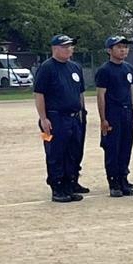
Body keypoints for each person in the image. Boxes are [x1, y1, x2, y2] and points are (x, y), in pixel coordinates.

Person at [33, 34, 86, 203]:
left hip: (74, 118)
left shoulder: (75, 67)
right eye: (65, 46)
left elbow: (80, 93)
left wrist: (82, 113)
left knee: (73, 153)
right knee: (56, 153)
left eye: (70, 46)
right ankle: (57, 187)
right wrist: (43, 118)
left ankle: (69, 185)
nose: (69, 49)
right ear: (55, 49)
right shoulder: (47, 68)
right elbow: (39, 94)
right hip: (56, 117)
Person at [96, 35, 133, 197]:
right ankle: (114, 182)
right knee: (113, 148)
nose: (123, 50)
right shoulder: (105, 70)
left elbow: (131, 90)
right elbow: (101, 95)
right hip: (113, 112)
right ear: (109, 50)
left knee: (126, 146)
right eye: (119, 47)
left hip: (127, 112)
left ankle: (123, 179)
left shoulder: (128, 68)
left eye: (125, 47)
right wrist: (103, 119)